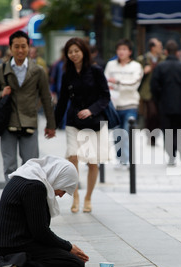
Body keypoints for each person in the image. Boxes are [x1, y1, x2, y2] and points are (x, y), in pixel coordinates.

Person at [0, 155, 89, 267]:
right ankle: (17, 266)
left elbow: (38, 231)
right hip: (15, 247)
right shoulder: (35, 187)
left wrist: (65, 249)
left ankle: (9, 263)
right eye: (64, 190)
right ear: (59, 179)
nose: (62, 195)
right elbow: (41, 232)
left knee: (65, 256)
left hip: (12, 244)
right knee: (75, 264)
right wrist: (68, 247)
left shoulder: (27, 177)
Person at [0, 31, 56, 182]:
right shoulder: (1, 69)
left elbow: (46, 98)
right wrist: (0, 94)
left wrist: (51, 124)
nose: (20, 50)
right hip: (7, 122)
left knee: (31, 167)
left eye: (23, 46)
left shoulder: (38, 71)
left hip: (30, 122)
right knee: (9, 167)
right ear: (10, 48)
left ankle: (27, 201)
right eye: (16, 47)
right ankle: (11, 202)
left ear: (29, 47)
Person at [55, 37, 110, 214]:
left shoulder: (96, 71)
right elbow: (62, 101)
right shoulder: (67, 74)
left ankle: (88, 198)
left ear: (83, 52)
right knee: (73, 157)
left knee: (93, 163)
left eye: (76, 51)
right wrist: (53, 125)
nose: (73, 54)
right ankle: (76, 196)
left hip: (94, 123)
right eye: (70, 52)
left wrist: (91, 110)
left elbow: (105, 97)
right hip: (73, 122)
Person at [150, 40, 181, 166]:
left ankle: (171, 155)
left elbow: (154, 86)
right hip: (180, 103)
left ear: (166, 51)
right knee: (180, 128)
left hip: (164, 103)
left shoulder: (160, 67)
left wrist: (159, 98)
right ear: (177, 52)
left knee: (167, 130)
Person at [104, 39, 143, 169]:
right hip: (114, 105)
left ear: (130, 52)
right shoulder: (110, 65)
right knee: (117, 135)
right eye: (119, 49)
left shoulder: (136, 66)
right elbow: (105, 82)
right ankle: (120, 159)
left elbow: (134, 84)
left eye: (124, 49)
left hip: (130, 105)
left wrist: (118, 82)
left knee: (126, 133)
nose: (121, 52)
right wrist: (114, 84)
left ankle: (127, 160)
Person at [137, 38, 166, 146]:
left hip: (160, 91)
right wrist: (143, 72)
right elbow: (136, 74)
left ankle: (154, 135)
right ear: (153, 48)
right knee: (151, 113)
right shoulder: (142, 59)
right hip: (147, 91)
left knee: (158, 114)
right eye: (159, 46)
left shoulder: (163, 59)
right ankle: (150, 136)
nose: (161, 48)